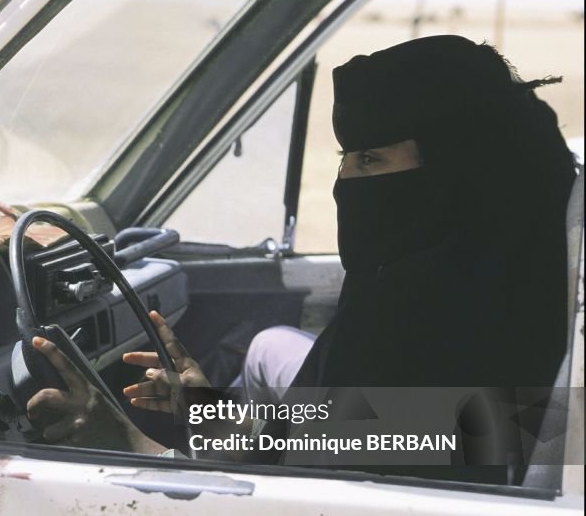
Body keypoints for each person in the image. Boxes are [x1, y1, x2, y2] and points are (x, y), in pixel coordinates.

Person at [28, 35, 577, 456]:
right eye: (346, 160)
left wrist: (114, 434)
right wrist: (215, 419)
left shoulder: (423, 327)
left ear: (456, 166)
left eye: (370, 160)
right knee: (268, 345)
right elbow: (352, 436)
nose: (350, 182)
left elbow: (333, 469)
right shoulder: (510, 263)